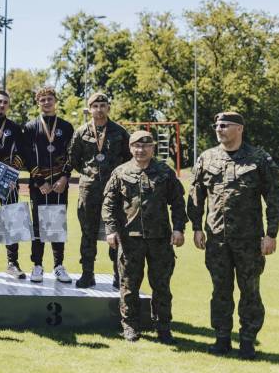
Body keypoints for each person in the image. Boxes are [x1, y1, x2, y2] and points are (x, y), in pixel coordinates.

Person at [188, 111, 279, 360]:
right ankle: (222, 338)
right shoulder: (207, 157)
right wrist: (196, 227)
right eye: (217, 125)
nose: (219, 129)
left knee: (250, 291)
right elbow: (196, 196)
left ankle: (247, 341)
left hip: (249, 240)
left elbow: (274, 197)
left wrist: (271, 233)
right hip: (217, 239)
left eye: (224, 125)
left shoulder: (259, 158)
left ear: (239, 129)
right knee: (220, 290)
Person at [102, 130, 187, 343]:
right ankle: (130, 326)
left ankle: (163, 327)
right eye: (137, 146)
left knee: (161, 286)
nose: (141, 150)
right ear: (130, 148)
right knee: (129, 285)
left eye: (146, 146)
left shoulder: (165, 172)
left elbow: (178, 202)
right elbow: (109, 204)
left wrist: (179, 228)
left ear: (153, 148)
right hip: (129, 239)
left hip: (160, 239)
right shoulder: (120, 172)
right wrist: (111, 230)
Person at [68, 91, 130, 288]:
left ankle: (118, 275)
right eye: (95, 106)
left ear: (108, 108)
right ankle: (88, 274)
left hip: (114, 191)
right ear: (90, 109)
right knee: (88, 232)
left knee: (116, 231)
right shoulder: (81, 132)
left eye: (103, 106)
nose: (99, 109)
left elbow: (129, 158)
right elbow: (73, 159)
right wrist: (89, 173)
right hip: (89, 190)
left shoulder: (120, 132)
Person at [23, 86, 75, 284]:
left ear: (55, 101)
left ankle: (58, 266)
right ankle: (37, 265)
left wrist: (65, 177)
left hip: (59, 184)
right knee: (38, 225)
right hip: (39, 185)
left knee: (57, 224)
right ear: (38, 103)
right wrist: (39, 181)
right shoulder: (30, 127)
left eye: (49, 99)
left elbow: (72, 155)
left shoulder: (66, 127)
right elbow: (27, 156)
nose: (46, 102)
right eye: (42, 99)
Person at [0, 90, 30, 279]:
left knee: (12, 218)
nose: (2, 105)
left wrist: (13, 172)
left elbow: (23, 153)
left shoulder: (14, 127)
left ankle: (12, 263)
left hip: (7, 178)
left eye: (5, 102)